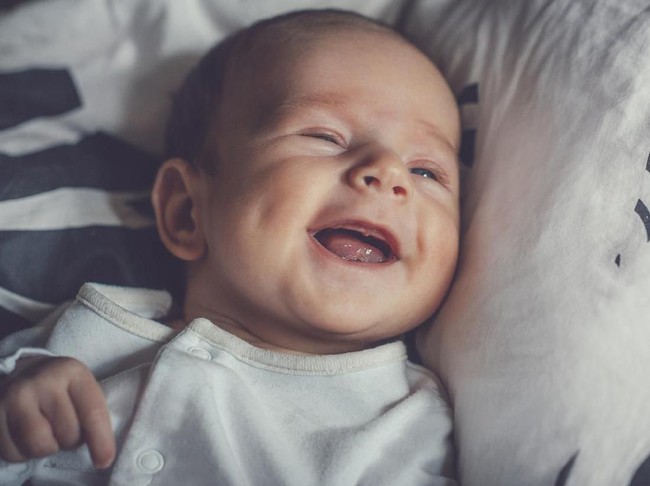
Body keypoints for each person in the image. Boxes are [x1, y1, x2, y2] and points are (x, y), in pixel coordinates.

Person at [0, 9, 461, 485]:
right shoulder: (81, 342)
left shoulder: (405, 426)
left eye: (427, 171)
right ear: (186, 212)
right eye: (326, 136)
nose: (388, 172)